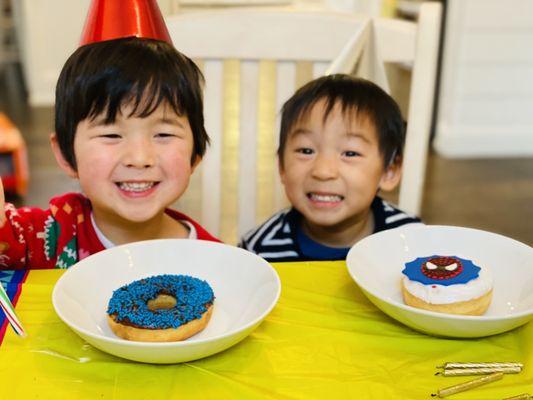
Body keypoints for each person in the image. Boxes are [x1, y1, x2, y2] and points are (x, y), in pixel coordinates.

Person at [0, 6, 219, 269]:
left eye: (163, 134)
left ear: (195, 155)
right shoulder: (45, 237)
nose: (139, 158)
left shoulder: (213, 261)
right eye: (112, 134)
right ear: (66, 155)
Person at [239, 74, 421, 262]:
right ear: (282, 167)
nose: (323, 171)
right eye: (306, 150)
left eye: (350, 153)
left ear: (389, 171)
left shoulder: (412, 243)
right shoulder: (258, 251)